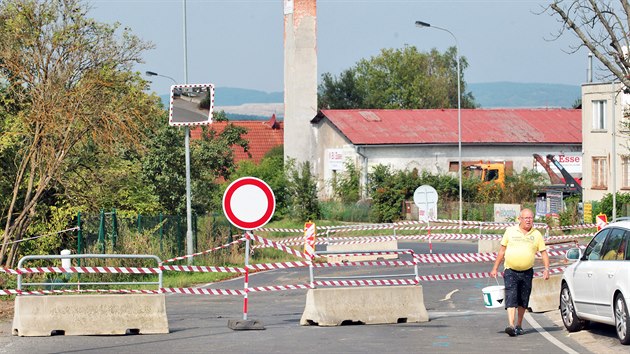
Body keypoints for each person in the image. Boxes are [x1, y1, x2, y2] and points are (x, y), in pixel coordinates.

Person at [490, 208, 550, 337]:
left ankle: (519, 325)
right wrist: (495, 268)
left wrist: (546, 269)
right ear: (520, 219)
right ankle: (511, 325)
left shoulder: (536, 234)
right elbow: (502, 251)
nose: (528, 220)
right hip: (510, 270)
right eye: (526, 218)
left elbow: (543, 252)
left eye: (531, 218)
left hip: (527, 272)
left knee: (523, 299)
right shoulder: (510, 232)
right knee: (511, 295)